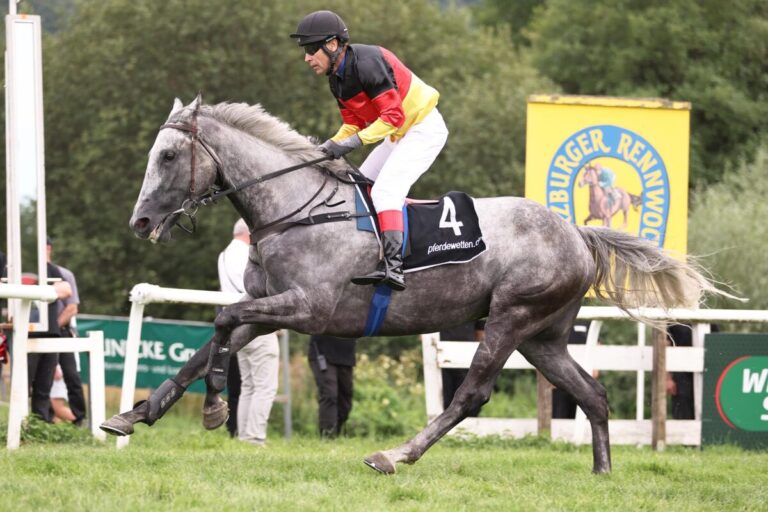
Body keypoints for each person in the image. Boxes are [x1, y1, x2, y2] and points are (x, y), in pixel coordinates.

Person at [290, 10, 448, 292]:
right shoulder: (336, 78)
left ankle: (394, 266)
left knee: (385, 192)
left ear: (333, 44)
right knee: (357, 187)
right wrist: (326, 147)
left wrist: (351, 143)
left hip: (423, 129)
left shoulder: (368, 63)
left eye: (312, 49)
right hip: (399, 135)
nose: (307, 58)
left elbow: (393, 117)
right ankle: (368, 251)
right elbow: (353, 124)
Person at [218, 218, 280, 446]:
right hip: (254, 321)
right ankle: (254, 437)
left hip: (233, 323)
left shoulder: (224, 254)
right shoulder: (247, 254)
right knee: (264, 386)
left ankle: (245, 436)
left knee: (248, 384)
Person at [48, 238, 87, 426]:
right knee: (40, 377)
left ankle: (80, 419)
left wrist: (52, 327)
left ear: (48, 248)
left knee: (71, 375)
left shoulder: (64, 274)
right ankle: (44, 419)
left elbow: (72, 308)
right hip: (39, 331)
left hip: (62, 331)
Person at [666, 323, 720, 420]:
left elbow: (716, 345)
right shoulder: (672, 319)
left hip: (705, 374)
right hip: (680, 375)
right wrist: (667, 378)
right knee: (682, 415)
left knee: (706, 416)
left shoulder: (710, 318)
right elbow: (666, 345)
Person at [308, 334, 356, 437]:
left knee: (345, 399)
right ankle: (328, 436)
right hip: (321, 351)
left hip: (346, 354)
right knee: (329, 393)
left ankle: (337, 432)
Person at [552, 320, 598, 419]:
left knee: (583, 417)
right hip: (560, 378)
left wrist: (595, 367)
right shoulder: (558, 318)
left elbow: (597, 342)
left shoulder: (588, 320)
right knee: (559, 416)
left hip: (583, 379)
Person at [439, 320, 486, 417]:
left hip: (467, 357)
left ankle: (469, 425)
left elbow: (480, 331)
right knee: (443, 400)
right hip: (440, 356)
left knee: (469, 403)